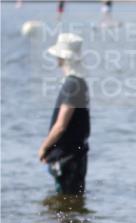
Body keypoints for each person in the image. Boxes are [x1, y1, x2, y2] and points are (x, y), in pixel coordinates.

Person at [38, 33, 89, 197]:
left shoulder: (71, 84)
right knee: (73, 201)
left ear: (63, 57)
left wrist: (44, 147)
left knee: (65, 200)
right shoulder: (80, 82)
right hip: (77, 152)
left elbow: (61, 126)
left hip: (68, 155)